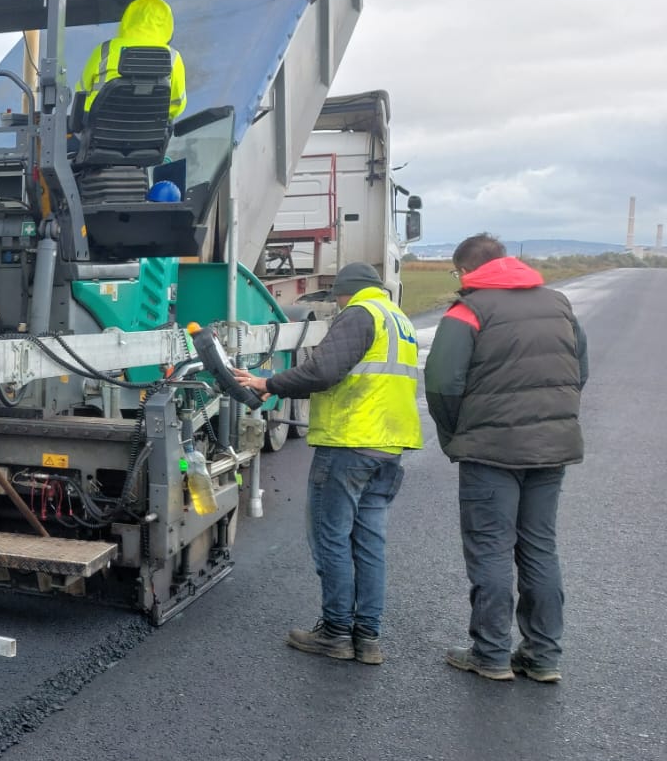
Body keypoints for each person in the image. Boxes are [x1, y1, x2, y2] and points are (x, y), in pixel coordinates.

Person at [234, 263, 423, 664]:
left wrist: (266, 383)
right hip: (388, 445)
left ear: (345, 292)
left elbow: (323, 371)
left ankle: (337, 632)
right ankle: (366, 637)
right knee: (369, 542)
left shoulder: (359, 314)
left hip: (350, 443)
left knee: (331, 537)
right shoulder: (398, 319)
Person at [423, 234, 587, 683]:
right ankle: (543, 656)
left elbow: (441, 384)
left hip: (490, 452)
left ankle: (492, 654)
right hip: (551, 449)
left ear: (466, 270)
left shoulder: (468, 312)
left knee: (492, 549)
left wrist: (459, 433)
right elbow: (579, 372)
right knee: (539, 547)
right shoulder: (559, 305)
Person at [77, 0, 187, 122]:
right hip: (149, 136)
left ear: (128, 19)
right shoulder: (173, 57)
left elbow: (81, 92)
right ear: (168, 26)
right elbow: (177, 104)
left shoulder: (105, 50)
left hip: (98, 131)